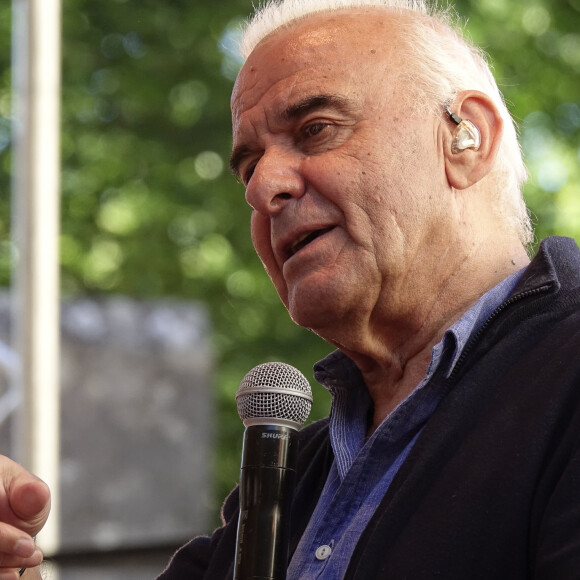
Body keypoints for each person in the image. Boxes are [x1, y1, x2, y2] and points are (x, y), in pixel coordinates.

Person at [3, 0, 580, 578]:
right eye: (249, 166)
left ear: (466, 137)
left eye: (316, 129)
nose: (262, 189)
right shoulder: (289, 477)